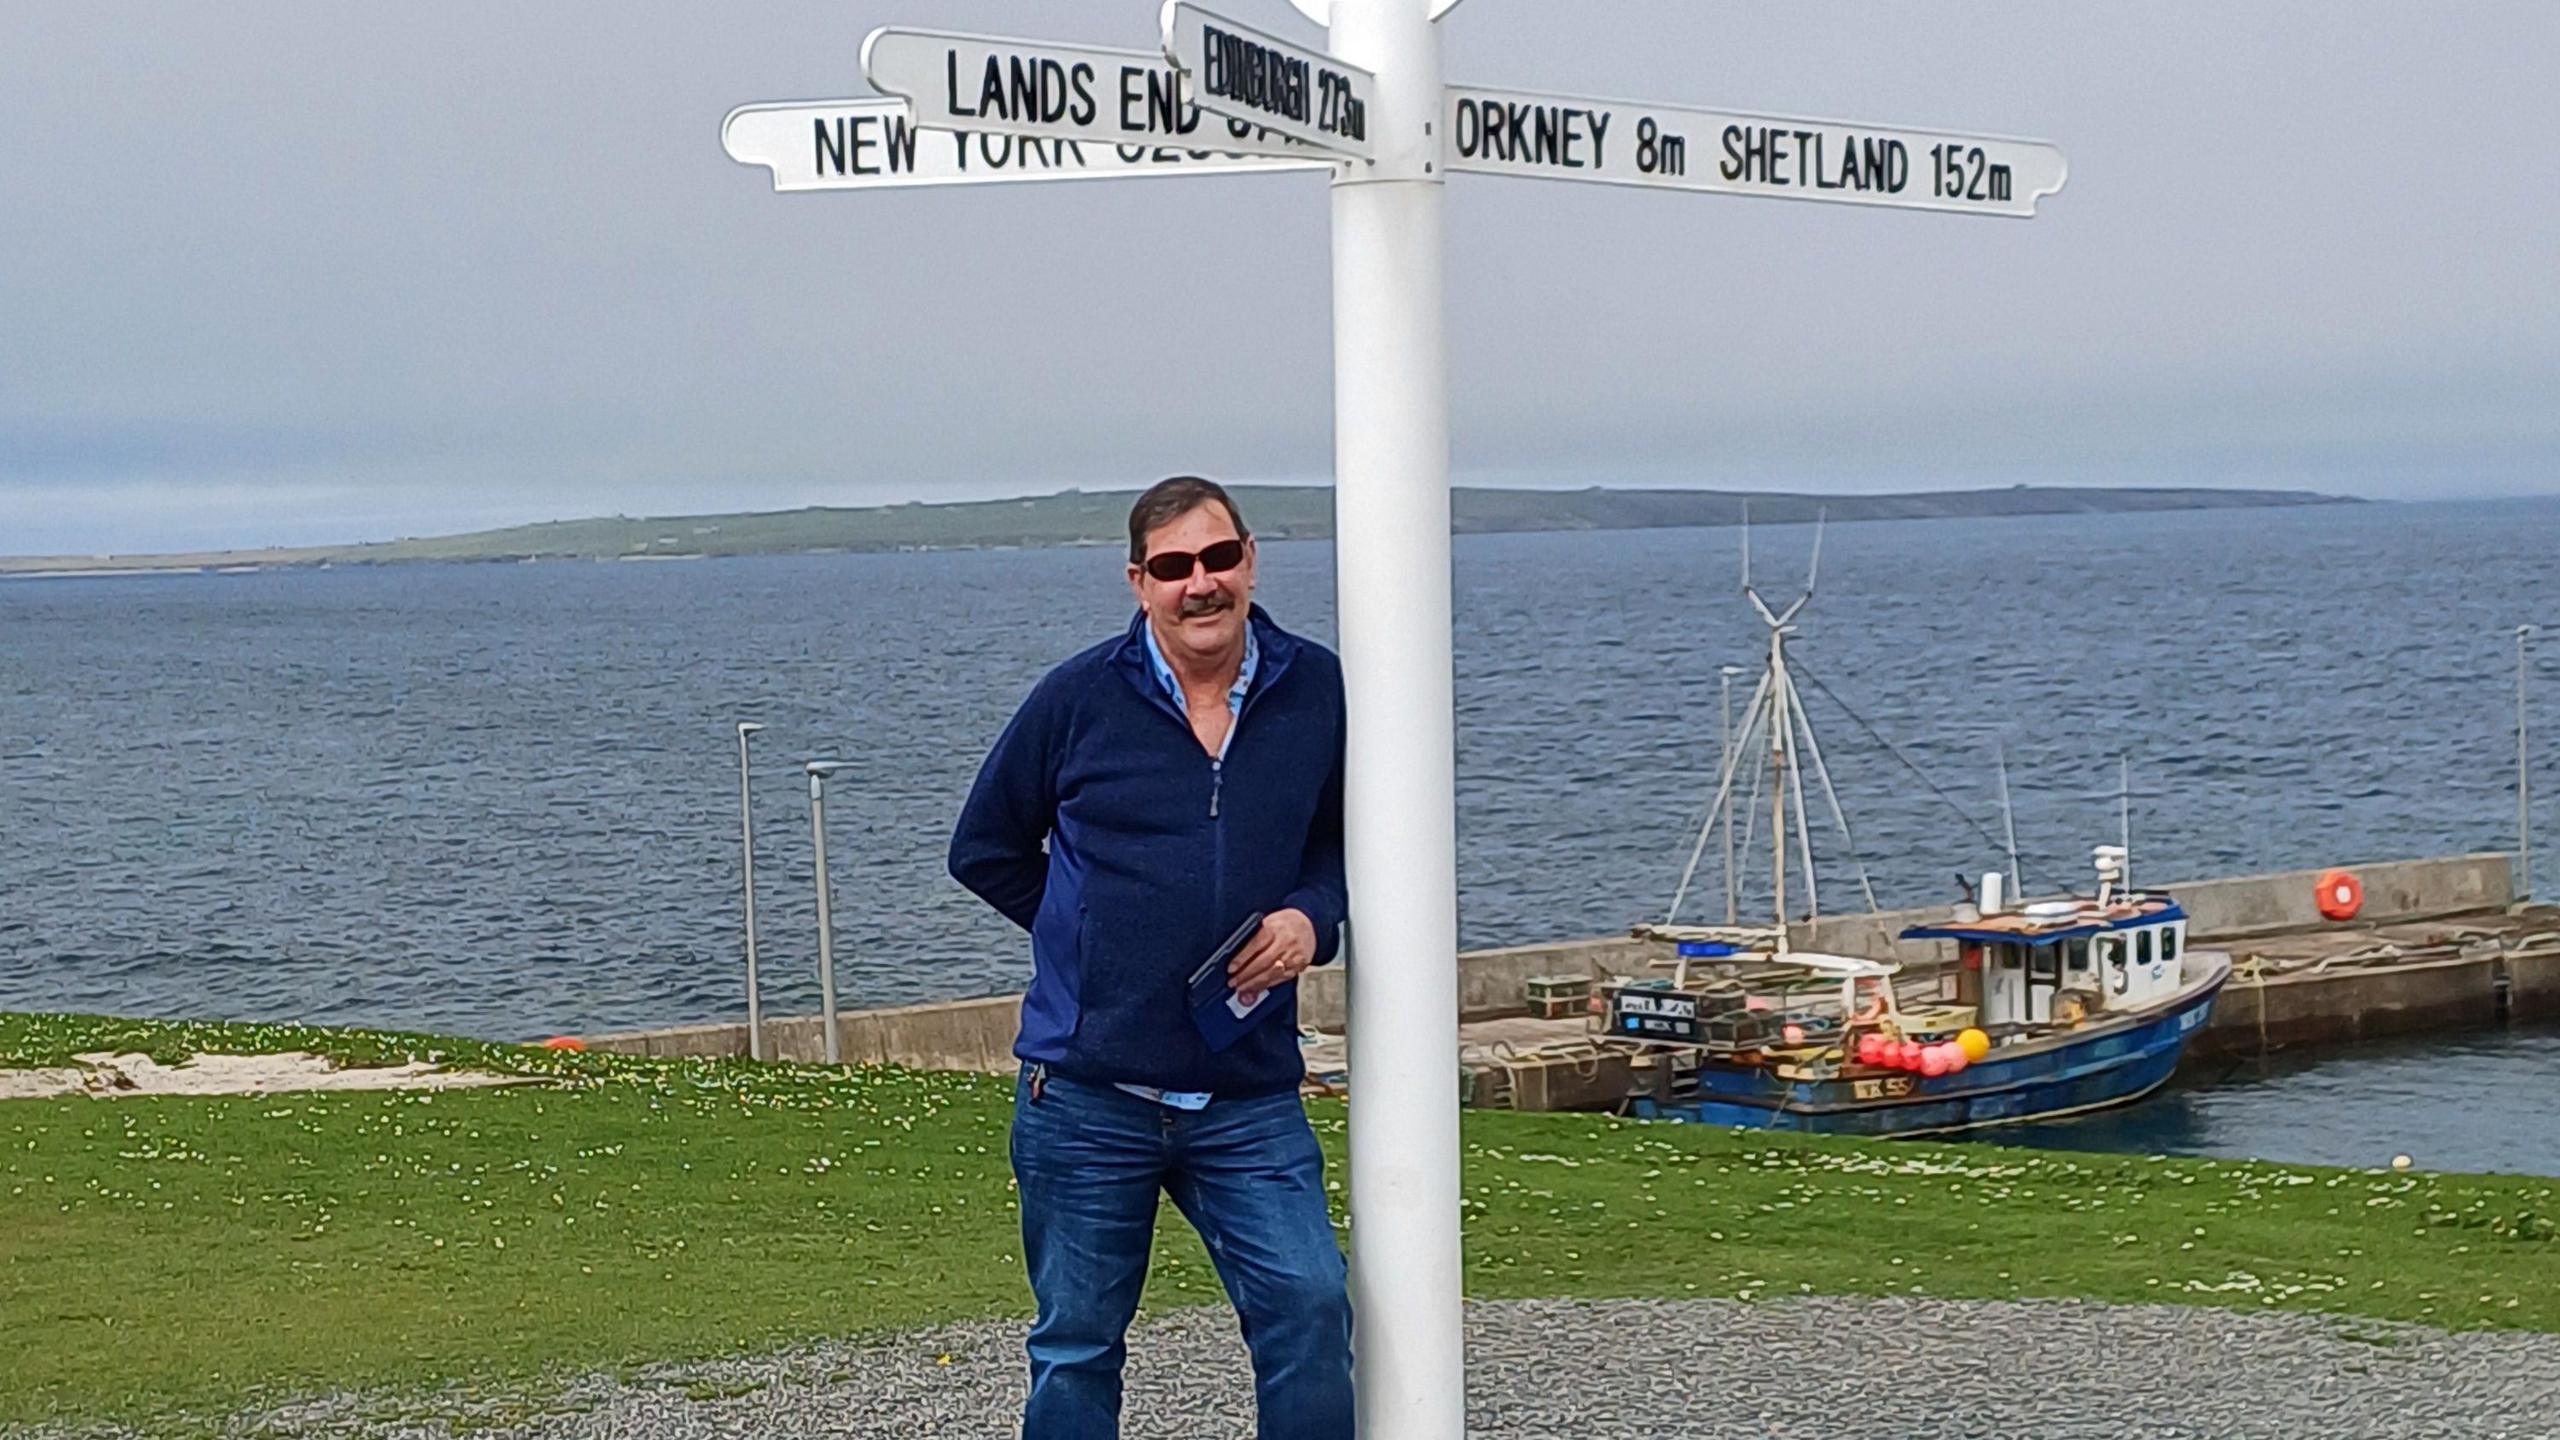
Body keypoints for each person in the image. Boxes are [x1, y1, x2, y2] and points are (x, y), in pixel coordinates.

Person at [948, 476, 1354, 1440]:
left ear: (1250, 560)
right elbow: (985, 849)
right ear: (1140, 582)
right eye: (1174, 567)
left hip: (1247, 1095)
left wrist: (1312, 918)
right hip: (1086, 1098)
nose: (1199, 584)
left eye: (1217, 559)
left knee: (1310, 1307)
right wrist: (1082, 934)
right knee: (1077, 1350)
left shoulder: (1316, 688)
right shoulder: (1078, 697)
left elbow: (1343, 845)